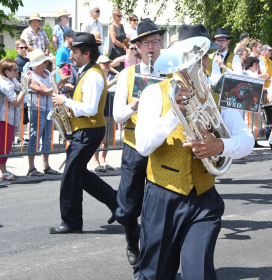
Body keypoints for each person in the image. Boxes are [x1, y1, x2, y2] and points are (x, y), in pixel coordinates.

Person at [133, 22, 253, 280]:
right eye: (193, 56)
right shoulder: (154, 92)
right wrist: (174, 115)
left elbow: (247, 140)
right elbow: (143, 146)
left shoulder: (224, 91)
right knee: (154, 274)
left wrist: (220, 145)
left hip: (204, 198)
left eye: (204, 54)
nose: (200, 61)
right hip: (163, 196)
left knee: (199, 275)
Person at [49, 32, 119, 234]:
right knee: (78, 173)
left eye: (75, 51)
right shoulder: (86, 72)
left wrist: (65, 101)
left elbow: (89, 108)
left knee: (70, 175)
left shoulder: (94, 75)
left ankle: (71, 222)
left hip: (89, 129)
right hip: (85, 129)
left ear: (86, 53)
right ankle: (116, 203)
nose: (72, 54)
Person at [112, 19, 166, 266]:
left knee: (157, 205)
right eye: (147, 43)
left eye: (156, 42)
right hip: (134, 144)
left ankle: (152, 253)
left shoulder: (168, 74)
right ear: (138, 47)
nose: (152, 47)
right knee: (130, 203)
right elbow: (117, 115)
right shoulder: (127, 74)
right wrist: (136, 103)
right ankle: (132, 242)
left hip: (160, 147)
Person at [25, 49, 62, 177]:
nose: (45, 64)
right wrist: (61, 82)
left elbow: (53, 89)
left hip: (48, 109)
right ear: (36, 65)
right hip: (37, 109)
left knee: (47, 138)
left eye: (45, 62)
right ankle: (31, 167)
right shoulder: (30, 76)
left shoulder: (47, 73)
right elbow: (45, 91)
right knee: (35, 138)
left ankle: (46, 165)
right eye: (43, 63)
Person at [0, 58, 26, 181]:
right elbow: (15, 102)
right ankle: (2, 171)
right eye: (15, 70)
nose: (18, 72)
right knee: (4, 143)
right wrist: (24, 90)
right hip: (4, 117)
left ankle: (4, 169)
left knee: (8, 142)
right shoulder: (3, 83)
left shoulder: (10, 80)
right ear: (7, 71)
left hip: (10, 117)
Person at [91, 55, 118, 172]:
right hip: (99, 112)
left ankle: (103, 160)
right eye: (104, 63)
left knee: (107, 139)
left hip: (110, 111)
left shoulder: (112, 76)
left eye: (108, 63)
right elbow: (102, 88)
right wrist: (114, 81)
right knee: (97, 139)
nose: (107, 65)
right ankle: (96, 162)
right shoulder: (96, 76)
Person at [14, 39, 30, 146]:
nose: (24, 49)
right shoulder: (17, 61)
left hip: (27, 90)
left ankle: (25, 137)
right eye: (21, 47)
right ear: (17, 49)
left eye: (25, 47)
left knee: (27, 115)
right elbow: (17, 77)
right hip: (22, 90)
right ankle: (20, 138)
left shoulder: (27, 59)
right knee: (23, 115)